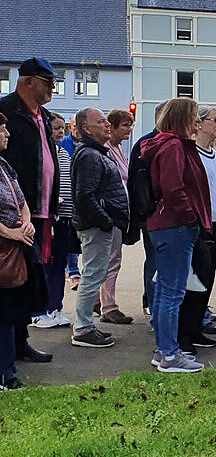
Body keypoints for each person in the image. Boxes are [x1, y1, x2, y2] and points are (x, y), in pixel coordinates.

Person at [141, 98, 211, 373]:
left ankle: (164, 350)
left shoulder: (167, 144)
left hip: (166, 225)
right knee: (171, 293)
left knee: (164, 292)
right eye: (194, 117)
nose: (197, 123)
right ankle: (170, 354)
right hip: (174, 226)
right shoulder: (172, 146)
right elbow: (173, 187)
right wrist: (189, 217)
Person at [0, 57, 60, 364]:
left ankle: (19, 341)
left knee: (30, 278)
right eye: (48, 82)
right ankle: (12, 345)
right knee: (14, 279)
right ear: (27, 82)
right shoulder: (7, 111)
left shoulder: (43, 115)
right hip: (14, 213)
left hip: (39, 210)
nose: (52, 88)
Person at [70, 107, 129, 348]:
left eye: (106, 120)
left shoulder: (96, 153)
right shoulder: (89, 155)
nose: (107, 124)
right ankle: (82, 328)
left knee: (95, 273)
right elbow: (85, 195)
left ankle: (86, 325)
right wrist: (106, 220)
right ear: (86, 128)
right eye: (101, 121)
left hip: (98, 224)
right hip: (95, 226)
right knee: (93, 275)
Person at [176, 106, 216, 353]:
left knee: (206, 280)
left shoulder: (213, 153)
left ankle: (196, 327)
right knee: (193, 281)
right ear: (199, 123)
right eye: (215, 120)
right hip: (197, 224)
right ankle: (183, 334)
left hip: (214, 223)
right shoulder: (191, 153)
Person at [0, 112, 36, 389]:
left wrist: (26, 222)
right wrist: (9, 232)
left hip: (15, 248)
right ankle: (6, 374)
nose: (7, 134)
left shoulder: (4, 165)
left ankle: (10, 367)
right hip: (4, 247)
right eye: (2, 130)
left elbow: (20, 198)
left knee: (12, 311)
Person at [30, 112, 72, 329]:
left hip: (63, 218)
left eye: (62, 129)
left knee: (59, 264)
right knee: (43, 264)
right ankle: (38, 311)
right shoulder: (39, 152)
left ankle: (55, 307)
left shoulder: (64, 153)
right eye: (56, 128)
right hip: (45, 218)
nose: (60, 132)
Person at [95, 108, 135, 325]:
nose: (129, 129)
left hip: (118, 212)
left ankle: (96, 298)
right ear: (112, 126)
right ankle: (108, 305)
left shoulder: (118, 149)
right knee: (111, 259)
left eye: (131, 125)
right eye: (125, 125)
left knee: (108, 258)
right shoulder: (106, 150)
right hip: (111, 212)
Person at [127, 101, 166, 318]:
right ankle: (152, 304)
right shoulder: (145, 144)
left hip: (167, 215)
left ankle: (160, 305)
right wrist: (142, 214)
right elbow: (136, 183)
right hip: (151, 214)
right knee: (154, 261)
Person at [59, 114, 80, 291]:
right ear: (70, 127)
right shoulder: (62, 145)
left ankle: (72, 270)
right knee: (69, 236)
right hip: (64, 202)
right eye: (75, 125)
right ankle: (73, 272)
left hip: (80, 200)